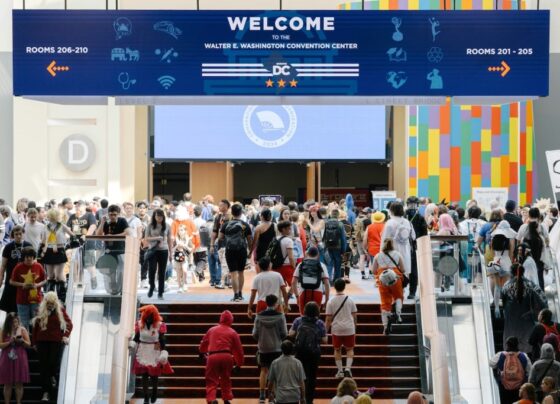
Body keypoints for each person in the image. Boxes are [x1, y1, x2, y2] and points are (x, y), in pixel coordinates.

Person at [31, 291, 72, 402]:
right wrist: (34, 343)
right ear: (45, 302)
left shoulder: (60, 311)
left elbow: (70, 324)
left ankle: (53, 376)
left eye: (52, 303)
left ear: (55, 302)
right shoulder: (40, 310)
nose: (50, 305)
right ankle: (46, 392)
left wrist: (65, 335)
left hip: (55, 341)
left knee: (52, 363)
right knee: (43, 367)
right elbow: (35, 328)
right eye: (48, 303)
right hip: (41, 342)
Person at [129, 304, 173, 404]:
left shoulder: (160, 325)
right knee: (144, 375)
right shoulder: (140, 324)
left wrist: (163, 351)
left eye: (151, 315)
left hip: (154, 349)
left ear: (155, 316)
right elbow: (136, 338)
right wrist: (132, 343)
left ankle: (154, 392)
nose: (149, 317)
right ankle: (146, 397)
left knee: (154, 375)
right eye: (147, 315)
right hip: (143, 349)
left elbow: (162, 340)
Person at [199, 310, 244, 404]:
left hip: (213, 356)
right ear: (231, 320)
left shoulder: (212, 330)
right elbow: (238, 350)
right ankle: (226, 398)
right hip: (227, 356)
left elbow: (204, 343)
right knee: (226, 378)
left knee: (211, 379)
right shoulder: (233, 332)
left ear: (221, 319)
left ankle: (212, 399)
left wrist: (202, 351)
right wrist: (239, 363)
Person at [502, 264, 547, 354]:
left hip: (511, 325)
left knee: (512, 351)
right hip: (527, 325)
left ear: (511, 273)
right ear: (523, 272)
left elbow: (503, 304)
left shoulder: (506, 286)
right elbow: (543, 301)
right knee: (527, 352)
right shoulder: (532, 285)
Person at [289, 301, 327, 404]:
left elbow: (291, 334)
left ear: (305, 310)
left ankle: (299, 397)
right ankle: (309, 400)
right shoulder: (320, 323)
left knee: (299, 376)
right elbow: (325, 340)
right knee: (312, 377)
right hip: (314, 353)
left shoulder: (298, 320)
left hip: (300, 352)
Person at [252, 294, 287, 404]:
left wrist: (261, 340)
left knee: (263, 370)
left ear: (266, 303)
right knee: (275, 371)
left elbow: (255, 334)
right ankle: (272, 395)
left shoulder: (259, 316)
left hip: (263, 348)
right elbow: (284, 333)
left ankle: (262, 395)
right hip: (276, 347)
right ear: (275, 303)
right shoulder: (280, 316)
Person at [218, 203, 252, 302]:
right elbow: (249, 240)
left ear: (232, 213)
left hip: (230, 250)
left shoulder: (226, 224)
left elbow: (220, 238)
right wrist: (250, 252)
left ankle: (235, 295)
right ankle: (240, 294)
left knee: (233, 273)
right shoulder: (245, 225)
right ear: (241, 213)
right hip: (242, 250)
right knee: (241, 272)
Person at [326, 278, 357, 379]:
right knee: (350, 349)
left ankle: (340, 371)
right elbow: (354, 316)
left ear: (334, 287)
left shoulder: (331, 301)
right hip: (349, 328)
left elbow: (328, 318)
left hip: (336, 329)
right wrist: (354, 327)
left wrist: (325, 331)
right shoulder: (350, 300)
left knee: (337, 349)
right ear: (344, 287)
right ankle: (348, 369)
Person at [373, 238, 405, 335]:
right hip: (395, 277)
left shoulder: (377, 256)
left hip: (383, 279)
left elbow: (374, 271)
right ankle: (398, 314)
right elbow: (403, 269)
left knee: (385, 302)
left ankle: (386, 326)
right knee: (398, 296)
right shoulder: (398, 254)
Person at [381, 202, 415, 294]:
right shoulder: (407, 222)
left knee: (393, 274)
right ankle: (402, 291)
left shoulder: (389, 223)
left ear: (391, 211)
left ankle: (396, 294)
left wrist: (381, 253)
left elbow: (385, 239)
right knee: (403, 273)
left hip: (392, 252)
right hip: (406, 252)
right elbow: (413, 237)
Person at [95, 204, 129, 295]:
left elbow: (127, 232)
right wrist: (102, 222)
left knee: (121, 273)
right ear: (108, 214)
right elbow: (98, 235)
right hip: (109, 251)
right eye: (110, 214)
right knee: (111, 273)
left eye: (115, 214)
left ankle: (121, 290)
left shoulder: (122, 221)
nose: (113, 216)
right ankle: (113, 291)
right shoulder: (105, 222)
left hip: (120, 251)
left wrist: (113, 236)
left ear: (118, 214)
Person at [10, 247, 46, 330]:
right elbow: (11, 281)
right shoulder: (18, 267)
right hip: (22, 300)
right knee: (23, 323)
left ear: (33, 257)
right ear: (23, 257)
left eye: (31, 256)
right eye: (27, 257)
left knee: (37, 323)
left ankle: (35, 338)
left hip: (36, 299)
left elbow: (45, 280)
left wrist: (37, 285)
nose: (29, 258)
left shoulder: (39, 266)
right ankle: (25, 337)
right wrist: (22, 284)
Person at [490, 336, 532, 404]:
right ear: (517, 344)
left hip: (504, 386)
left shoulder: (500, 355)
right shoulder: (523, 356)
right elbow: (529, 371)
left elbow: (491, 364)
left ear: (507, 345)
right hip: (519, 387)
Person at [41, 209, 73, 298]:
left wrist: (73, 241)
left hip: (60, 250)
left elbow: (72, 235)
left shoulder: (61, 226)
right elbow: (43, 240)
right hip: (49, 250)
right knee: (50, 276)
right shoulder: (46, 227)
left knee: (59, 276)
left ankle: (62, 297)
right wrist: (41, 251)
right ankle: (50, 298)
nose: (51, 218)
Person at [67, 200, 98, 290]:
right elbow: (68, 228)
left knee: (89, 264)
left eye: (79, 205)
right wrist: (67, 235)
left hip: (88, 244)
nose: (77, 207)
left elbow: (93, 226)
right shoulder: (72, 216)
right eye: (76, 206)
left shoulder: (89, 215)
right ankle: (77, 284)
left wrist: (87, 235)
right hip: (75, 243)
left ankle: (93, 279)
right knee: (76, 264)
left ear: (84, 206)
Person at [0, 312, 31, 404]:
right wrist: (9, 342)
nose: (14, 324)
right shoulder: (3, 330)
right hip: (6, 358)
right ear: (8, 322)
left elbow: (29, 345)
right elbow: (0, 345)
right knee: (7, 383)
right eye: (12, 322)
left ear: (18, 321)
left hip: (20, 358)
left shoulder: (23, 329)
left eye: (16, 321)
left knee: (19, 383)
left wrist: (21, 341)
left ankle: (18, 402)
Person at [0, 226, 32, 314]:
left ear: (23, 234)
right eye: (16, 234)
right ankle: (9, 321)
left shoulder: (28, 245)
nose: (18, 236)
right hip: (11, 278)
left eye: (20, 234)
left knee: (24, 304)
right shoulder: (8, 247)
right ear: (13, 235)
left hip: (25, 278)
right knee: (9, 306)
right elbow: (3, 265)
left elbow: (34, 263)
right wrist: (1, 277)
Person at [142, 208, 172, 299]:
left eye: (161, 216)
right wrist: (157, 238)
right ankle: (152, 286)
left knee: (162, 272)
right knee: (152, 270)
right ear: (154, 216)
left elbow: (170, 240)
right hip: (153, 250)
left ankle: (160, 292)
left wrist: (171, 253)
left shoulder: (167, 226)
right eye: (158, 216)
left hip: (164, 250)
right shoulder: (150, 225)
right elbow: (146, 238)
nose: (159, 218)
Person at [291, 247, 330, 315]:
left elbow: (293, 282)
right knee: (315, 316)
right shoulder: (321, 265)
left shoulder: (301, 264)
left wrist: (297, 296)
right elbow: (326, 284)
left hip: (303, 292)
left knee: (303, 316)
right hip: (317, 292)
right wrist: (326, 299)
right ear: (318, 254)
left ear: (307, 254)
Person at [517, 207, 549, 289]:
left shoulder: (523, 227)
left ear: (529, 215)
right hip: (540, 256)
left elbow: (518, 240)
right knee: (539, 276)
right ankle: (540, 294)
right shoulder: (542, 227)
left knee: (525, 275)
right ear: (538, 216)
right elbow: (547, 241)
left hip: (526, 256)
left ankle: (527, 293)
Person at [405, 196, 428, 298]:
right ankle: (402, 290)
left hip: (414, 247)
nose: (412, 206)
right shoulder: (404, 216)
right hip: (405, 246)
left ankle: (412, 292)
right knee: (402, 269)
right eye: (411, 204)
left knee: (413, 270)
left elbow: (424, 234)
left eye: (414, 204)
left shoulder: (419, 218)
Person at [323, 209, 347, 282]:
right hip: (338, 247)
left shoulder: (326, 223)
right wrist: (343, 250)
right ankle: (336, 280)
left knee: (329, 263)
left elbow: (324, 236)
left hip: (328, 246)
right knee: (337, 265)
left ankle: (328, 280)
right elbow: (343, 238)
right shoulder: (340, 224)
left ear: (331, 215)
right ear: (338, 215)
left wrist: (325, 247)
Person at [363, 211, 385, 281]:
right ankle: (381, 279)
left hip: (372, 249)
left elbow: (365, 238)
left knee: (374, 264)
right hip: (383, 249)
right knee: (382, 265)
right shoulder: (385, 226)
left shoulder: (369, 227)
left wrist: (365, 248)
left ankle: (377, 279)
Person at [172, 224, 194, 292]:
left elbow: (191, 249)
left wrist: (184, 246)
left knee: (184, 271)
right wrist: (177, 246)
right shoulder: (175, 239)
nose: (180, 231)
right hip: (177, 258)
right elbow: (172, 249)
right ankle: (179, 286)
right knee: (179, 273)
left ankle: (184, 284)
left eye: (182, 230)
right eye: (179, 230)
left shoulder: (188, 239)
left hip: (185, 258)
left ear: (185, 231)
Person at [276, 220, 296, 289]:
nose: (290, 230)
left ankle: (283, 296)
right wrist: (294, 266)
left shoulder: (275, 239)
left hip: (276, 266)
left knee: (280, 286)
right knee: (294, 285)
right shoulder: (288, 240)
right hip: (287, 266)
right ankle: (288, 295)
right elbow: (291, 257)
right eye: (289, 228)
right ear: (283, 229)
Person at [354, 208, 372, 280]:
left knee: (361, 257)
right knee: (370, 257)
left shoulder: (356, 219)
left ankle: (363, 274)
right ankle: (370, 274)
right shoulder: (368, 220)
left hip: (359, 240)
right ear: (368, 213)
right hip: (366, 240)